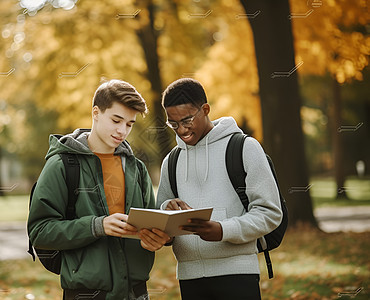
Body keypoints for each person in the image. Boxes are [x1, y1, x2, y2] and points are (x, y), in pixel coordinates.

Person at [28, 79, 170, 300]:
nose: (122, 131)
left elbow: (148, 225)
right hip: (86, 294)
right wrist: (97, 225)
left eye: (129, 124)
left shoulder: (137, 169)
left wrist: (155, 239)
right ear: (96, 112)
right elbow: (39, 231)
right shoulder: (62, 165)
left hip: (137, 293)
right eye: (116, 120)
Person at [156, 78, 283, 299]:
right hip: (189, 278)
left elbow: (270, 213)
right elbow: (162, 221)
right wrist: (167, 211)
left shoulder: (245, 148)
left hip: (238, 274)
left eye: (187, 120)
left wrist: (223, 230)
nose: (181, 130)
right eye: (173, 124)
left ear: (205, 109)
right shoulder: (171, 161)